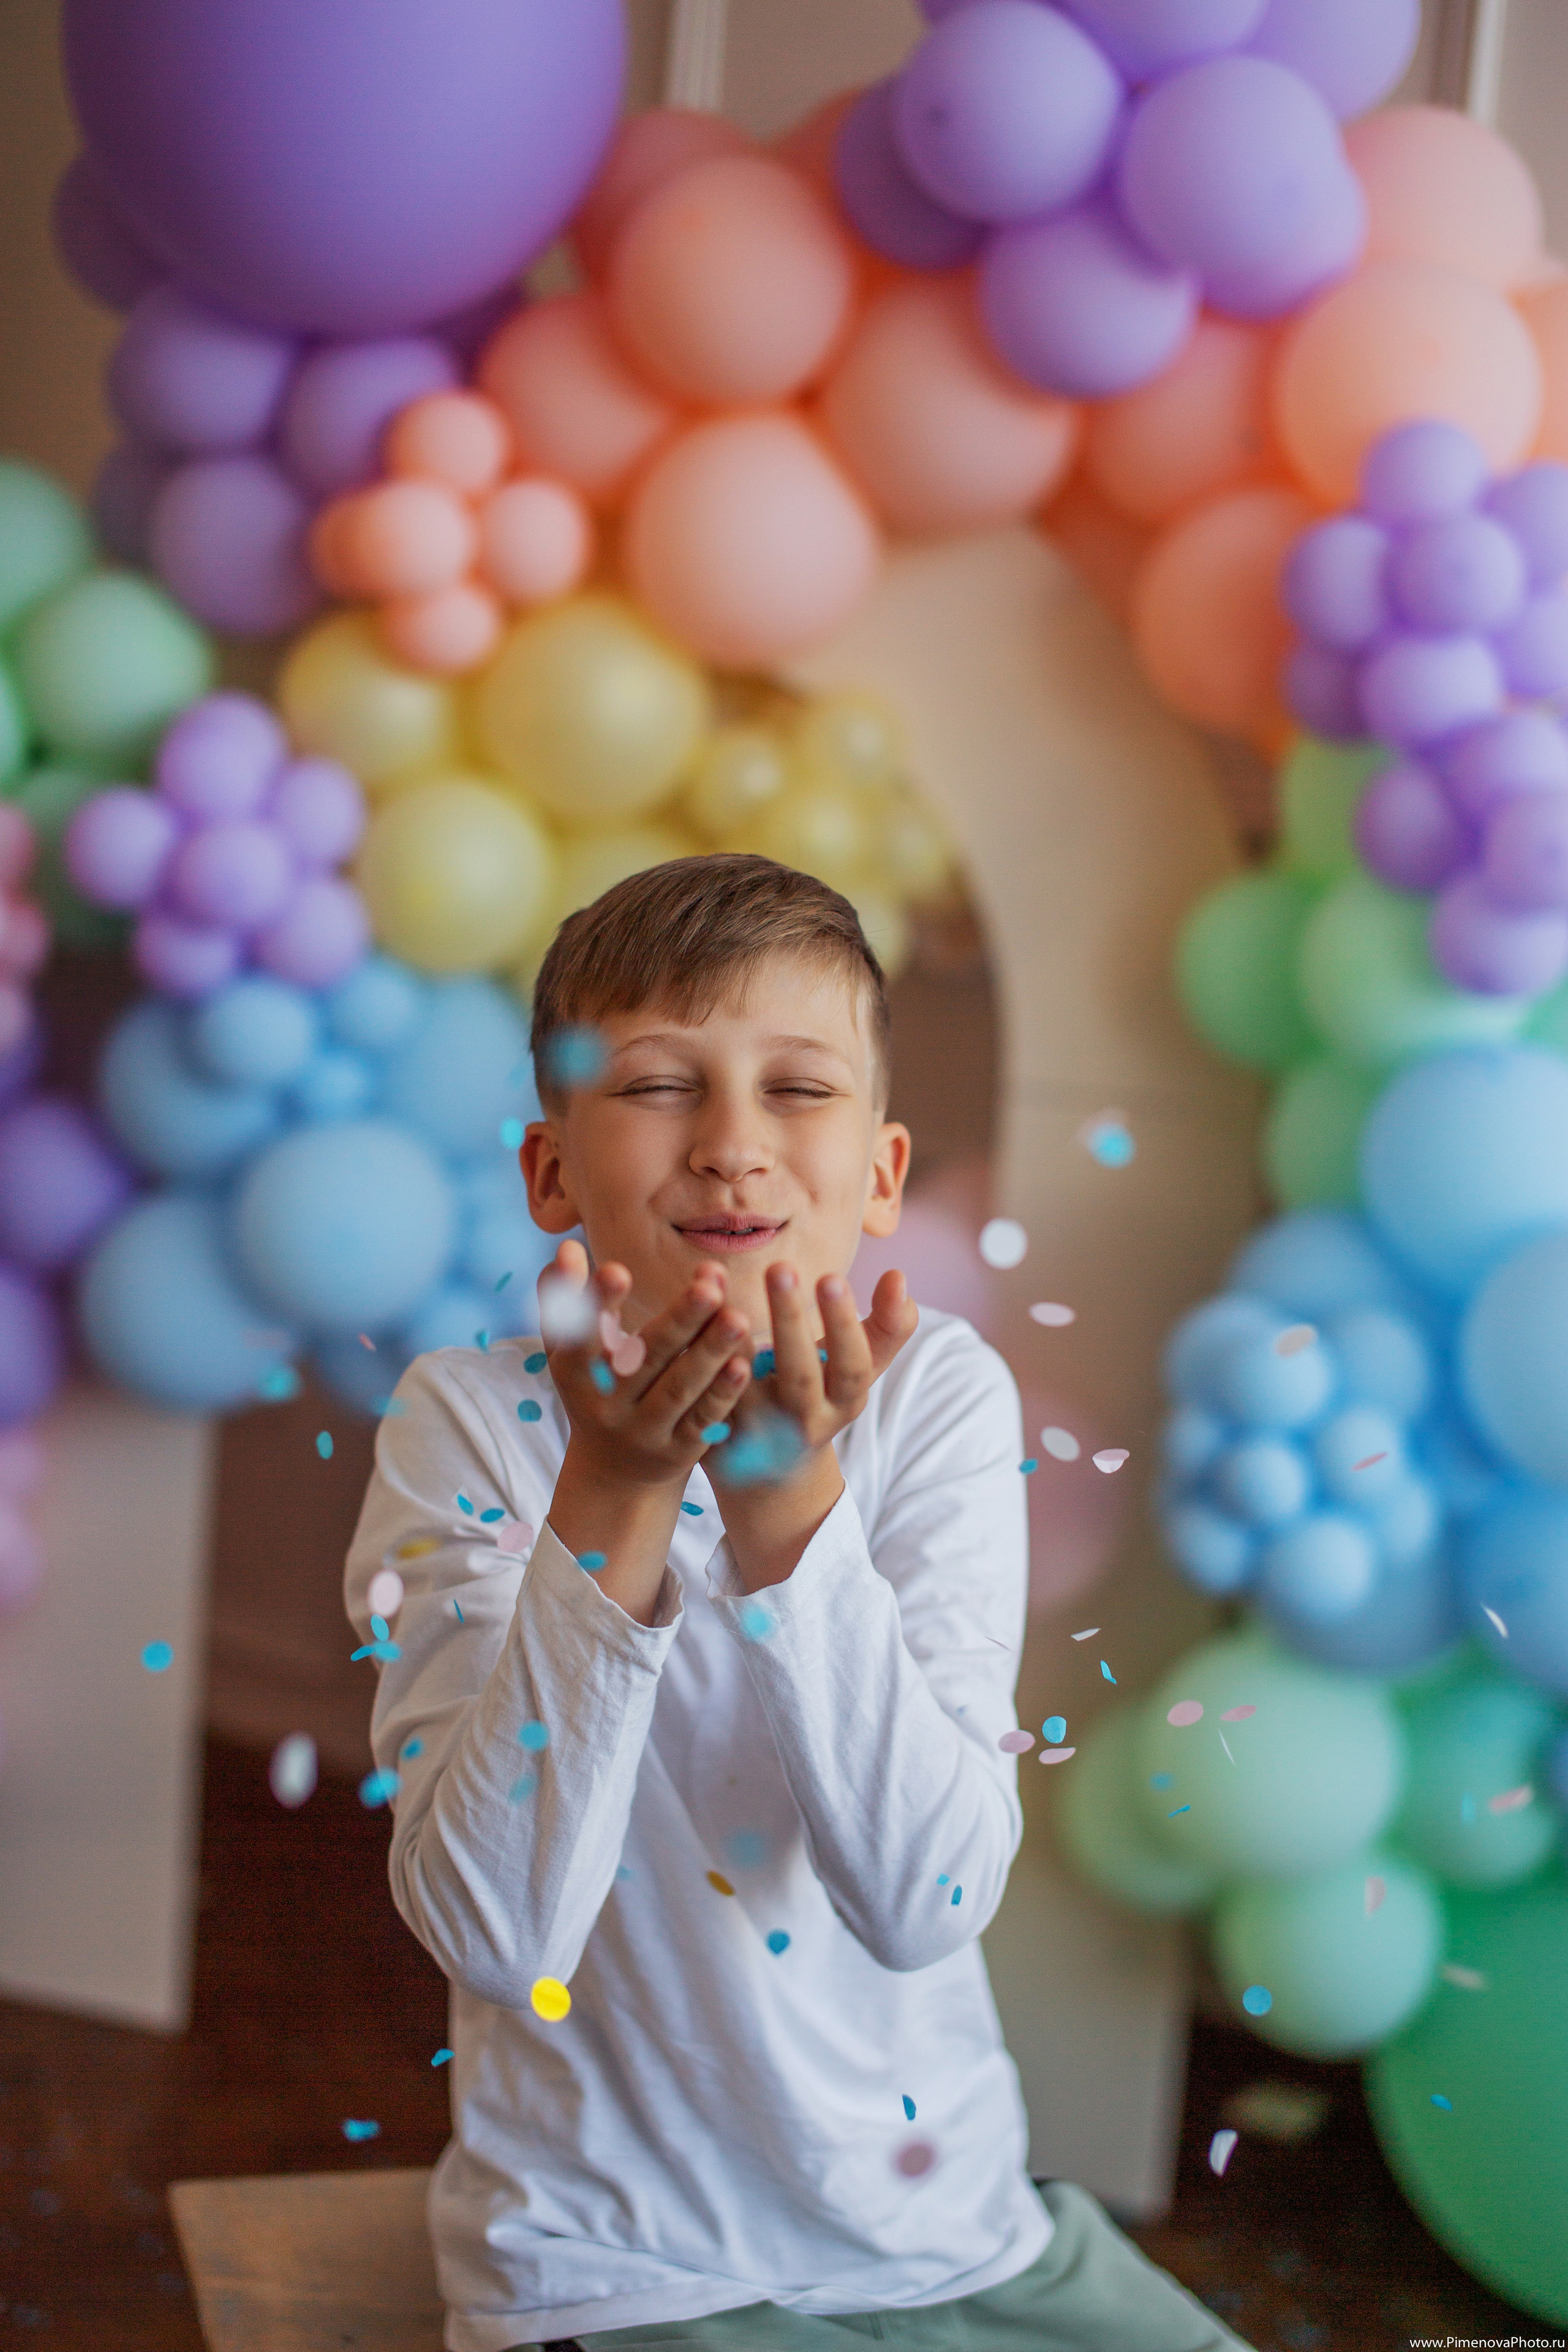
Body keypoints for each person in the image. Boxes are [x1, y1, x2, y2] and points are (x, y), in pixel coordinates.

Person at [345, 853, 1253, 2352]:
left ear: (880, 1175)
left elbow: (925, 1904)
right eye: (654, 1086)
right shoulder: (465, 1424)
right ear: (550, 1174)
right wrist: (614, 1495)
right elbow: (494, 1936)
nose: (730, 1147)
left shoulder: (941, 1396)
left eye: (797, 1090)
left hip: (954, 2234)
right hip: (624, 2269)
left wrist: (784, 1501)